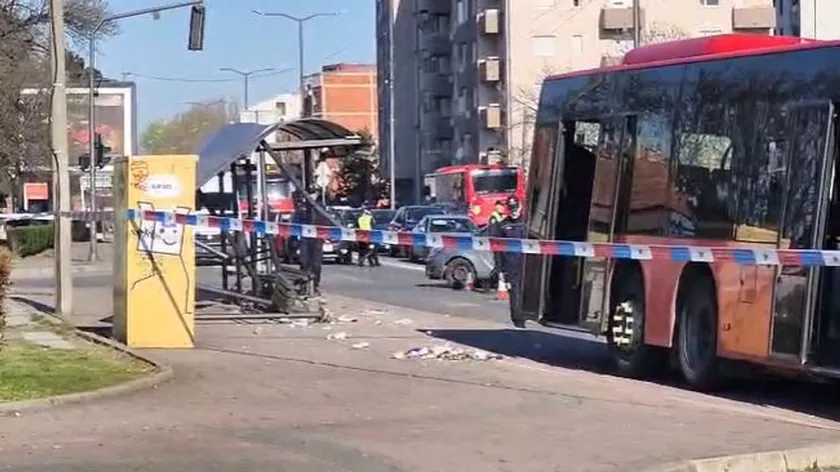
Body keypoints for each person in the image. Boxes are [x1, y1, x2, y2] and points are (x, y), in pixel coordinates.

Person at [489, 195, 526, 328]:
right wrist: (499, 267)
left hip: (527, 264)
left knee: (527, 290)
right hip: (511, 264)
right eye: (511, 208)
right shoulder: (503, 225)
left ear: (520, 206)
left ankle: (528, 314)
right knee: (514, 292)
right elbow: (497, 248)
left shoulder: (526, 223)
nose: (514, 211)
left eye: (515, 207)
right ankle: (518, 320)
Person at [292, 190, 324, 295]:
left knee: (316, 264)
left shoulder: (320, 208)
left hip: (317, 239)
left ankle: (314, 285)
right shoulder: (301, 209)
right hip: (305, 239)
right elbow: (295, 223)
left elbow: (325, 222)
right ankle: (304, 285)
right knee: (304, 262)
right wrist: (295, 238)